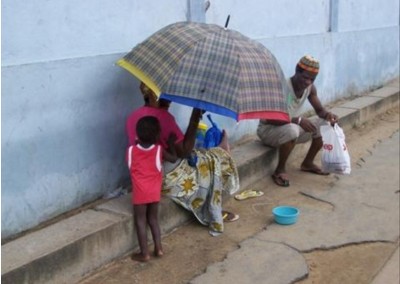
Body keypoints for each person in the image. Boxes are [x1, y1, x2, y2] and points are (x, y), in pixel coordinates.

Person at [126, 82, 240, 237]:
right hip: (164, 177)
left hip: (143, 178)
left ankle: (220, 149)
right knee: (211, 160)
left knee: (199, 153)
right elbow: (184, 152)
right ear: (157, 96)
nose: (170, 100)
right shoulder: (164, 118)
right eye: (167, 96)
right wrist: (195, 116)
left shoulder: (133, 117)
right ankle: (213, 208)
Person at [257, 55, 338, 187]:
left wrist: (329, 115)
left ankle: (308, 163)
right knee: (293, 129)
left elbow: (320, 111)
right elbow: (270, 117)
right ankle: (279, 170)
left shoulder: (310, 88)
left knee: (325, 124)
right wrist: (298, 120)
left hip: (288, 128)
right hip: (268, 130)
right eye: (305, 77)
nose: (307, 82)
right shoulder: (281, 87)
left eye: (311, 79)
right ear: (297, 71)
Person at [127, 116, 178, 262]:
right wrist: (171, 144)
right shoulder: (159, 151)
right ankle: (159, 248)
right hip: (154, 192)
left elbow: (131, 166)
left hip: (140, 193)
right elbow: (173, 158)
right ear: (157, 136)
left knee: (140, 221)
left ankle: (144, 253)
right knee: (153, 220)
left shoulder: (131, 151)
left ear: (137, 134)